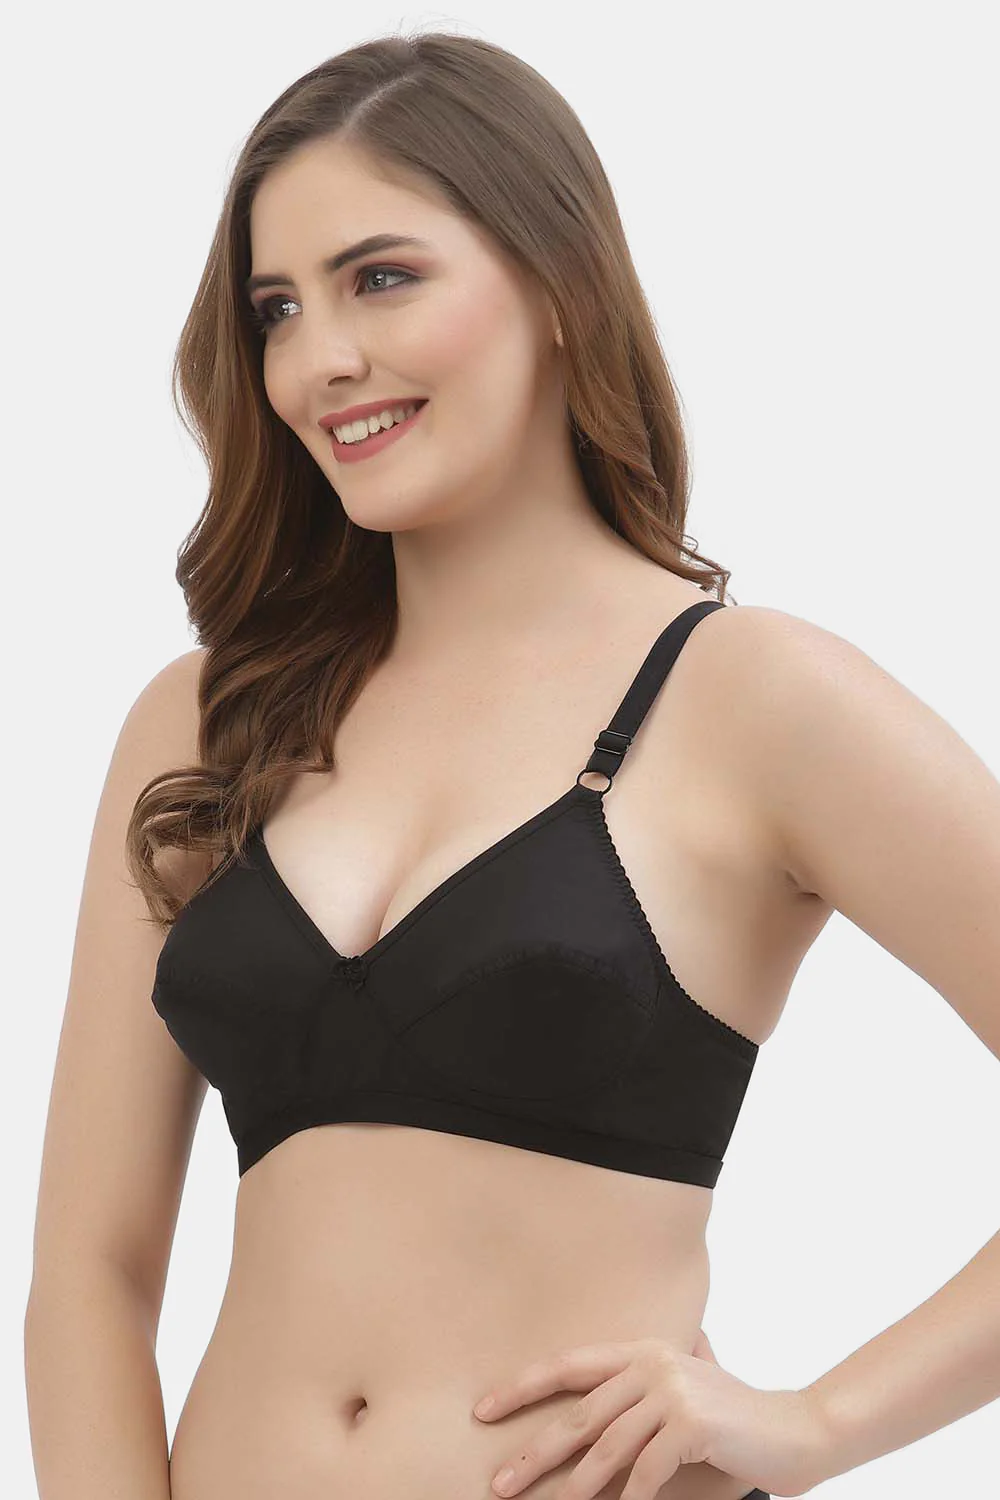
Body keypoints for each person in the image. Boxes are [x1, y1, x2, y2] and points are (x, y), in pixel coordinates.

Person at [24, 28, 1000, 1500]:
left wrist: (816, 1425)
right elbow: (89, 1273)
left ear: (556, 284)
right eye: (277, 308)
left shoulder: (752, 700)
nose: (319, 359)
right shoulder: (209, 725)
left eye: (381, 277)